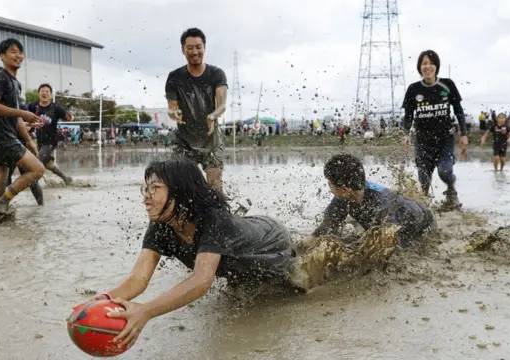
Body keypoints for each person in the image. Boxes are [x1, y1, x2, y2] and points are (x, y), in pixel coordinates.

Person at [83, 157, 348, 350]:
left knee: (296, 284)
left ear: (180, 191)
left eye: (155, 188)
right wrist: (102, 300)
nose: (147, 196)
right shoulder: (161, 225)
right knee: (243, 287)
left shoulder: (213, 219)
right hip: (241, 252)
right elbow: (138, 280)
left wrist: (146, 311)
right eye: (146, 188)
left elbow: (201, 281)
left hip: (272, 243)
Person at [0, 38, 45, 218]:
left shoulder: (15, 83)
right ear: (2, 56)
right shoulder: (0, 76)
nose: (19, 56)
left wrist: (29, 141)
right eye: (13, 52)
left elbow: (15, 118)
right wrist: (22, 113)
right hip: (1, 136)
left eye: (20, 52)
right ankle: (4, 200)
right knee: (38, 170)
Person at [311, 154, 436, 247]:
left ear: (344, 189)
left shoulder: (381, 207)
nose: (329, 187)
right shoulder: (343, 198)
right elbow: (325, 229)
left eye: (329, 183)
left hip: (423, 222)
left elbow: (393, 246)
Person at [401, 50, 467, 211]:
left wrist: (464, 134)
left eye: (431, 63)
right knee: (423, 178)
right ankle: (424, 208)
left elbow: (458, 110)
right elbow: (408, 115)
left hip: (445, 139)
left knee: (445, 172)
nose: (427, 66)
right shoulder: (413, 89)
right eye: (424, 63)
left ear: (436, 66)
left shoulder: (447, 84)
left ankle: (451, 192)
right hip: (422, 141)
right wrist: (405, 134)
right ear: (419, 68)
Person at [165, 28, 227, 192]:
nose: (194, 52)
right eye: (190, 48)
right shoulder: (174, 77)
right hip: (184, 142)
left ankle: (220, 216)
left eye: (198, 47)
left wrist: (213, 115)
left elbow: (222, 105)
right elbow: (171, 109)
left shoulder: (216, 74)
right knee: (182, 188)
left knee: (215, 187)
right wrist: (174, 113)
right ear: (183, 50)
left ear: (204, 48)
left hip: (211, 138)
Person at [26, 83, 73, 184]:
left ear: (50, 94)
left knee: (36, 162)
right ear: (38, 93)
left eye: (47, 91)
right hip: (40, 141)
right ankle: (66, 178)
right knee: (48, 164)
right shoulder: (33, 106)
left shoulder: (55, 107)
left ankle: (30, 184)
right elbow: (22, 114)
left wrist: (70, 117)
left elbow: (67, 115)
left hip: (51, 141)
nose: (44, 93)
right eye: (42, 91)